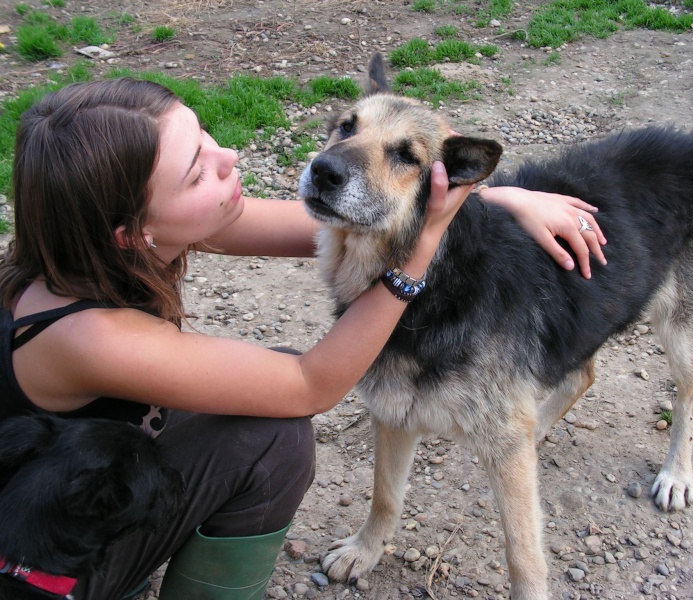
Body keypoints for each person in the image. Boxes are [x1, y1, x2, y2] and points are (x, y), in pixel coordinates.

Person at [0, 78, 606, 600]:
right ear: (133, 233)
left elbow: (369, 212)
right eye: (197, 170)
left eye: (209, 139)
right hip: (33, 561)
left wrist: (501, 198)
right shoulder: (87, 337)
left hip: (59, 464)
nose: (230, 155)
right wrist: (414, 262)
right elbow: (309, 385)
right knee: (272, 436)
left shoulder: (98, 245)